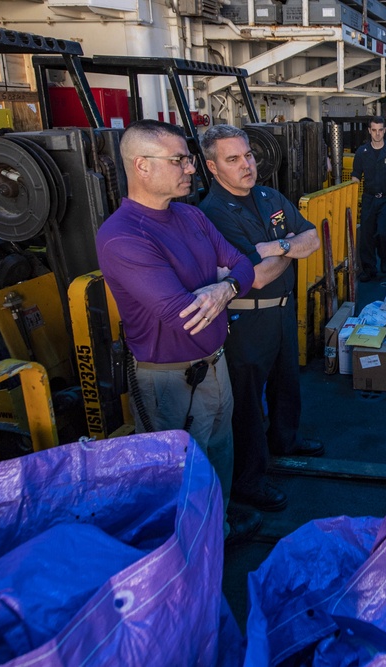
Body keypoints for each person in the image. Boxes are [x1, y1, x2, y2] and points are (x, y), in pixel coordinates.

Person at [95, 120, 258, 544]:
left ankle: (217, 534)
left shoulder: (190, 215)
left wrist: (225, 287)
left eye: (187, 159)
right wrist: (225, 287)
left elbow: (242, 264)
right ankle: (187, 557)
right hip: (169, 380)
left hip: (214, 365)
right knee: (180, 476)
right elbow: (182, 312)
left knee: (219, 455)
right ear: (142, 166)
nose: (190, 168)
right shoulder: (122, 236)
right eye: (180, 160)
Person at [199, 124, 323, 515]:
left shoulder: (269, 195)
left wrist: (279, 246)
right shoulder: (213, 213)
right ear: (213, 167)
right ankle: (250, 480)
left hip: (282, 311)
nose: (246, 165)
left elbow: (313, 237)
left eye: (248, 155)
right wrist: (290, 249)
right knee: (248, 403)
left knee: (287, 380)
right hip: (246, 322)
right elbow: (258, 273)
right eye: (233, 159)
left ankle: (285, 439)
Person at [351, 116, 386, 281]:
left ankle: (384, 257)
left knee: (383, 232)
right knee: (366, 236)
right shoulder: (362, 152)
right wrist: (353, 198)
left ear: (384, 131)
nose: (377, 134)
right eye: (374, 130)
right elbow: (355, 177)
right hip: (368, 198)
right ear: (369, 131)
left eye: (380, 130)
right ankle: (369, 269)